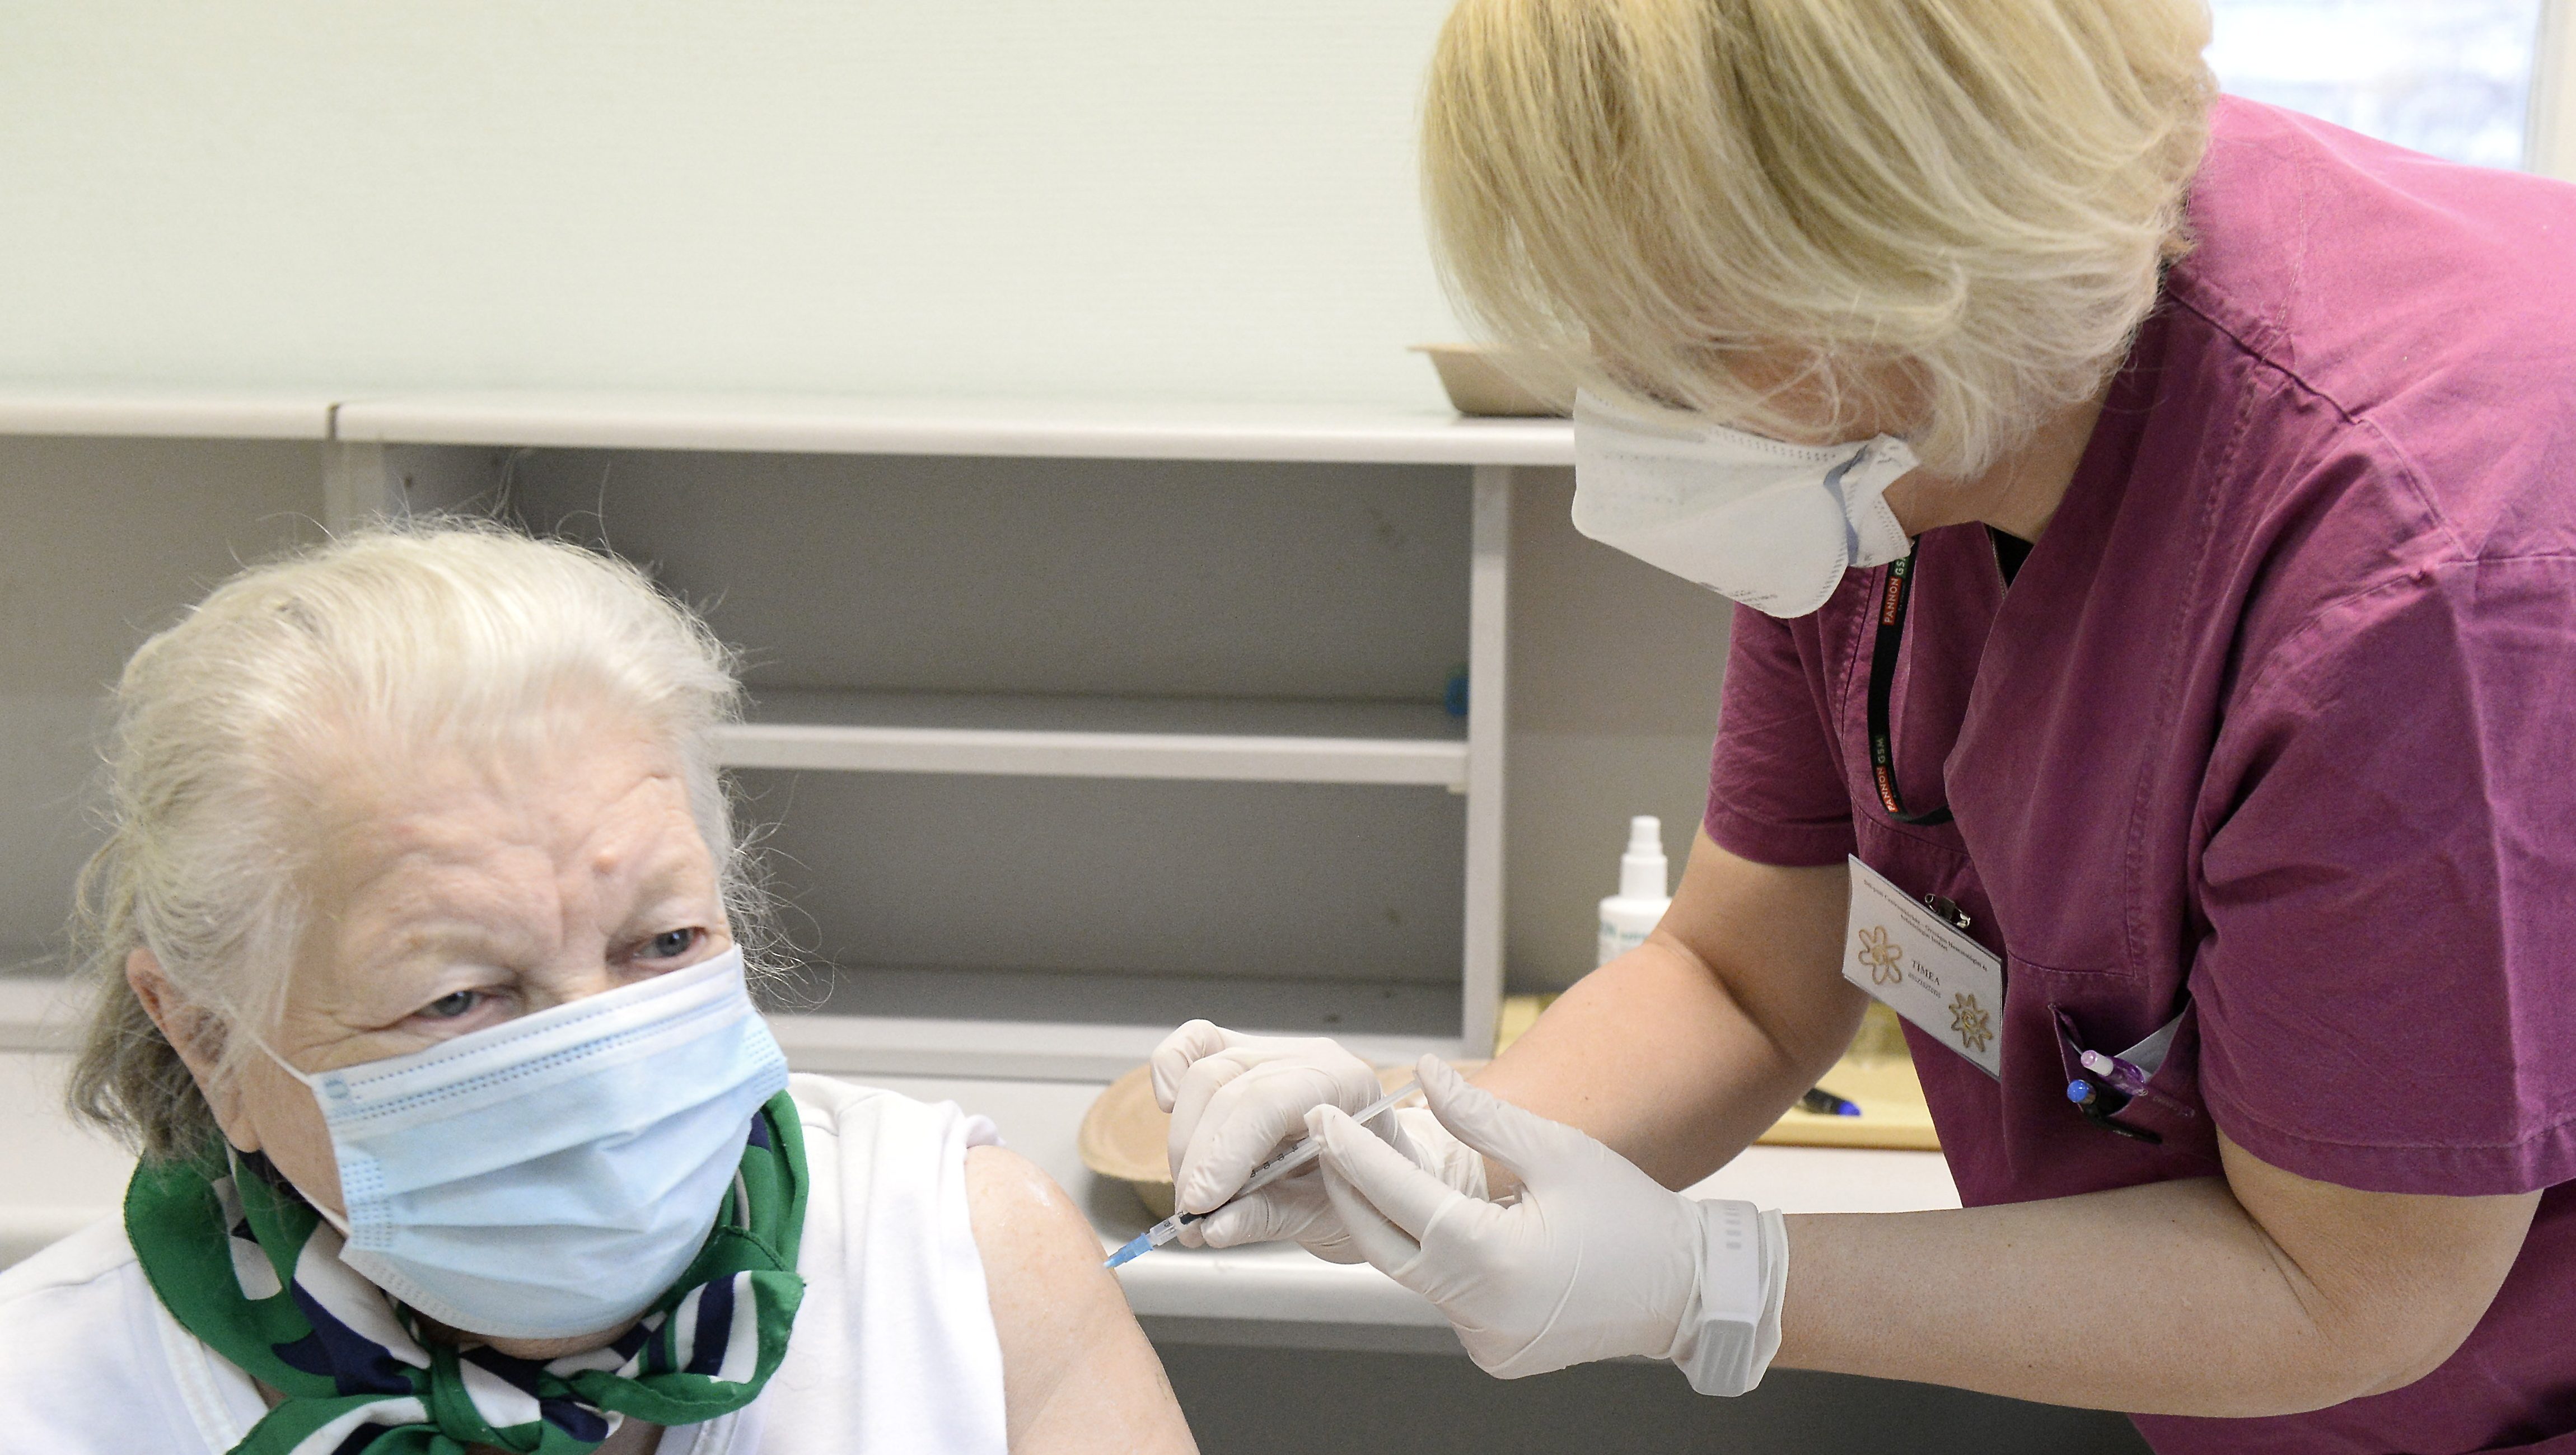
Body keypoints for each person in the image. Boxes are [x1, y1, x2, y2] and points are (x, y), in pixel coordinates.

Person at [1157, 2, 2576, 1451]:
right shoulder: (1885, 439)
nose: (1627, 407)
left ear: (1905, 289)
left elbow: (2346, 1285)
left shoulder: (2414, 579)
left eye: (1673, 349)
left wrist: (1716, 1282)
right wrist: (1439, 1152)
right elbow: (1741, 978)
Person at [0, 526, 1195, 1455]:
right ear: (208, 1040)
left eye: (663, 943)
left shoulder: (961, 1263)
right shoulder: (46, 1398)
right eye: (460, 998)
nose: (607, 1077)